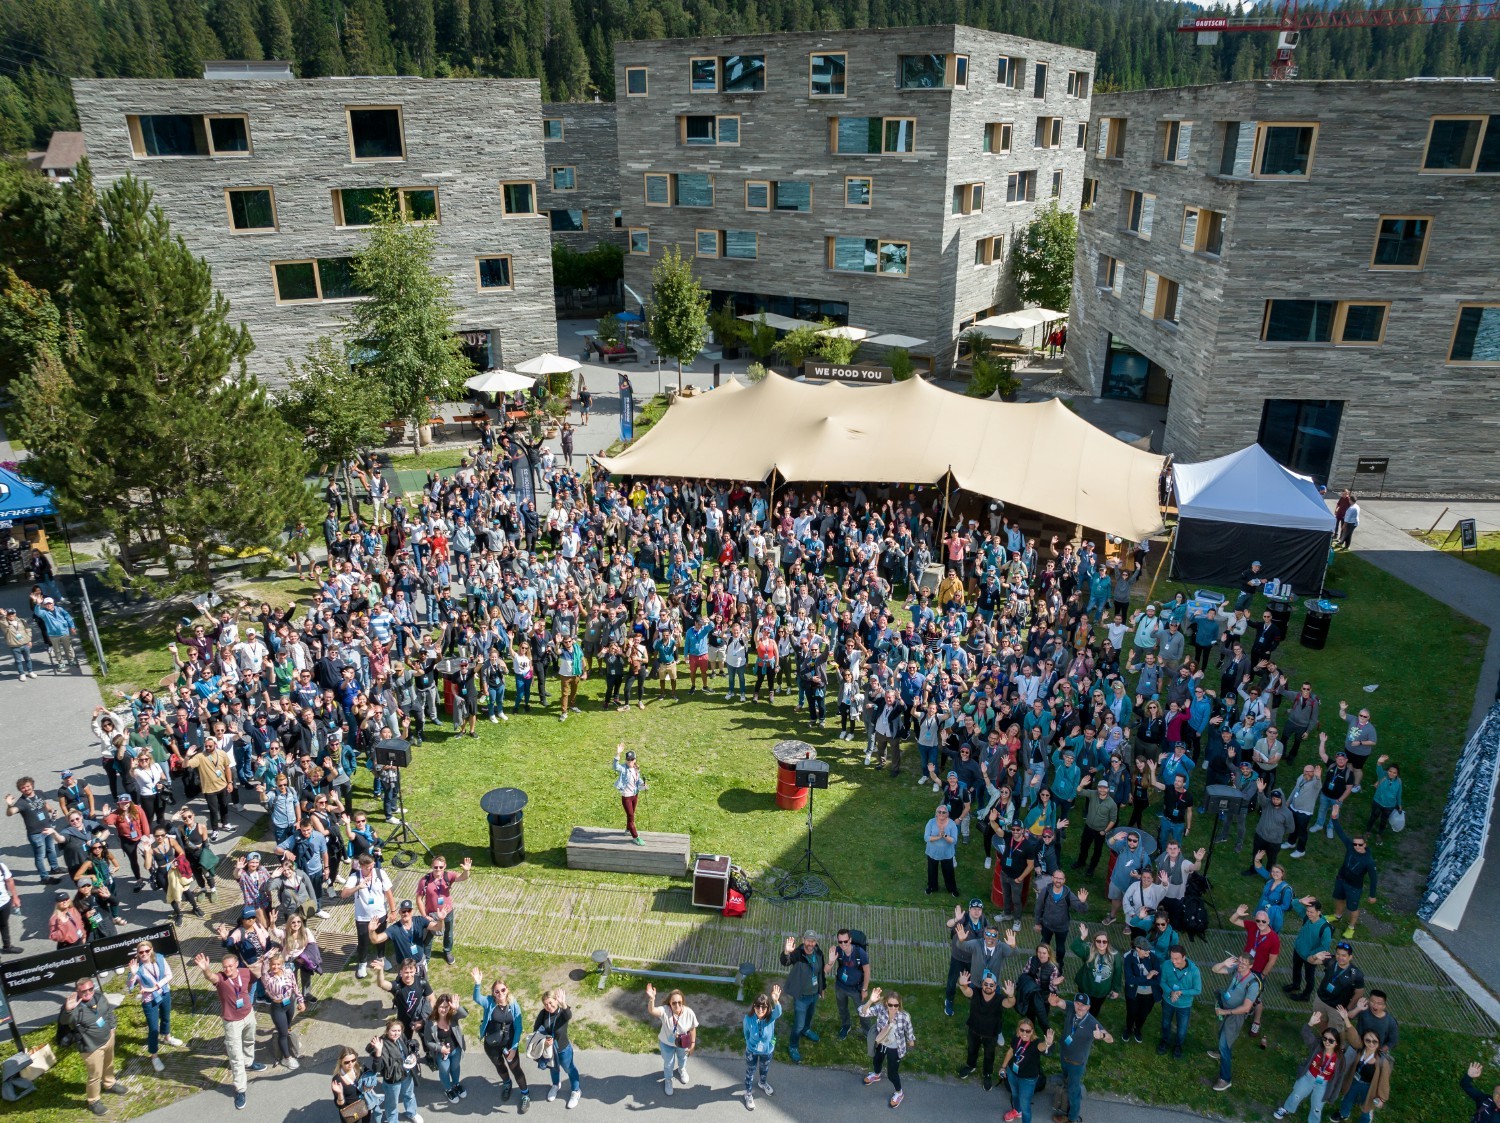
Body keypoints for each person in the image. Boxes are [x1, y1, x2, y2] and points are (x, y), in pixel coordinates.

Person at [194, 949, 265, 1110]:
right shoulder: (221, 979)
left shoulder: (245, 973)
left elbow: (257, 976)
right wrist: (205, 969)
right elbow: (211, 977)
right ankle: (241, 1089)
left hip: (248, 1014)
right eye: (225, 967)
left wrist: (262, 962)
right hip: (232, 1021)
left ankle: (249, 1062)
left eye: (230, 966)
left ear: (237, 965)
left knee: (249, 1041)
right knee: (235, 1056)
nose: (228, 970)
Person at [62, 975, 129, 1114]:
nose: (88, 992)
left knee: (109, 1064)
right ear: (77, 992)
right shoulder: (75, 1008)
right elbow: (64, 1021)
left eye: (90, 989)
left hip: (108, 1038)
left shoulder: (99, 996)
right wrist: (68, 1010)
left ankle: (109, 1084)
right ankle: (93, 1101)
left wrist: (112, 1027)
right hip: (91, 1048)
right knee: (95, 1075)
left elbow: (108, 1011)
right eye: (83, 991)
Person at [472, 968, 529, 1112]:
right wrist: (478, 983)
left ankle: (525, 1094)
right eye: (497, 991)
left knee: (516, 1069)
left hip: (509, 1045)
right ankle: (507, 1083)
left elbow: (518, 1027)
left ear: (507, 989)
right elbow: (477, 998)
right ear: (493, 993)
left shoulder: (513, 1005)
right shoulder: (490, 1002)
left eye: (503, 990)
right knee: (500, 1066)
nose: (500, 994)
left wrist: (514, 1048)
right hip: (491, 1045)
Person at [127, 939, 185, 1073]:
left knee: (166, 1017)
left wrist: (155, 987)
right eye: (141, 952)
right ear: (138, 954)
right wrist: (133, 974)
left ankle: (167, 1037)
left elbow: (169, 975)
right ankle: (154, 1056)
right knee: (153, 1029)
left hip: (164, 993)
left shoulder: (159, 958)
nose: (144, 954)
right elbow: (129, 987)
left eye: (147, 951)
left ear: (151, 950)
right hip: (149, 1001)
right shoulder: (138, 968)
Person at [1056, 991, 1113, 1123]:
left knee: (1074, 1091)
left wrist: (1102, 1036)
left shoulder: (1092, 1023)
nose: (1080, 1007)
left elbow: (1111, 1039)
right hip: (1064, 1056)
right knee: (1066, 1080)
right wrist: (1055, 1000)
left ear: (1088, 1007)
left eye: (1083, 1005)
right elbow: (1060, 1003)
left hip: (1076, 1063)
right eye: (1078, 1003)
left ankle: (1072, 1118)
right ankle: (1064, 1099)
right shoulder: (1071, 1008)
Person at [1210, 951, 1262, 1092]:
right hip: (1225, 1008)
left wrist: (1225, 1012)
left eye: (1244, 964)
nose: (1240, 965)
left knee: (1225, 1044)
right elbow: (1214, 969)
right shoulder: (1236, 970)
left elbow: (1246, 1008)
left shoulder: (1253, 984)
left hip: (1234, 1015)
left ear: (1250, 966)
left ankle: (1225, 1079)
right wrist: (1224, 964)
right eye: (1239, 962)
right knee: (1221, 1033)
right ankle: (1220, 1053)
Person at [1273, 1018, 1343, 1122]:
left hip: (1323, 1084)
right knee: (1296, 1094)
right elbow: (1306, 1034)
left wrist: (1333, 1095)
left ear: (1336, 1043)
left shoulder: (1340, 1058)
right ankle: (1286, 1108)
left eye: (1331, 1040)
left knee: (1317, 1106)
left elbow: (1339, 1077)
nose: (1327, 1042)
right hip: (1309, 1077)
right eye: (1325, 1039)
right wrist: (1310, 1024)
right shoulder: (1317, 1046)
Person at [859, 986, 916, 1109]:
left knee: (892, 1074)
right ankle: (876, 1074)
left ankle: (899, 1093)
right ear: (886, 1003)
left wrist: (911, 1041)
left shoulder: (904, 1016)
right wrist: (870, 1001)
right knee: (876, 1060)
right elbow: (863, 1013)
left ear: (899, 1005)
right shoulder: (881, 1009)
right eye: (891, 1005)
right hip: (881, 1043)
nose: (893, 1008)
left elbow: (909, 1030)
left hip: (895, 1048)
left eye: (896, 1005)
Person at [341, 851, 396, 978]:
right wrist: (358, 887)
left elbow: (388, 893)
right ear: (360, 866)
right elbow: (343, 895)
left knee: (381, 938)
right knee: (363, 941)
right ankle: (362, 963)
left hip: (380, 914)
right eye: (368, 867)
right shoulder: (355, 877)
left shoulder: (380, 873)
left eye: (372, 865)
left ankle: (381, 958)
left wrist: (393, 911)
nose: (371, 868)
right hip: (362, 917)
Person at [1329, 806, 1377, 938]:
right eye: (1355, 844)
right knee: (1339, 899)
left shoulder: (1369, 861)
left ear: (1365, 844)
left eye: (1360, 845)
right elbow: (1341, 833)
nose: (1357, 846)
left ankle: (1351, 927)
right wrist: (1334, 818)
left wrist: (1372, 895)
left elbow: (1374, 878)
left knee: (1352, 908)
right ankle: (1337, 915)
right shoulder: (1350, 846)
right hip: (1341, 879)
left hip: (1354, 887)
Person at [416, 854, 472, 966]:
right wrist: (424, 915)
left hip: (447, 912)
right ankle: (425, 959)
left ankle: (447, 951)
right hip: (431, 914)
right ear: (431, 866)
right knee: (428, 937)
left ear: (445, 866)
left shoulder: (448, 876)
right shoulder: (425, 881)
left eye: (441, 867)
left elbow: (462, 877)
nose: (438, 869)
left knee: (448, 933)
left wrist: (466, 871)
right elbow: (419, 899)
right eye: (435, 867)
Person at [780, 929, 827, 1063]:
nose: (810, 944)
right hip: (801, 996)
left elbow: (820, 972)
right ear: (803, 940)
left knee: (810, 1015)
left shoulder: (818, 952)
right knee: (798, 1025)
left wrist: (822, 988)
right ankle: (793, 1046)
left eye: (812, 941)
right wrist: (786, 952)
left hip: (813, 994)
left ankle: (806, 1030)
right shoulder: (797, 953)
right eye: (808, 940)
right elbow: (785, 962)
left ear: (815, 942)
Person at [956, 965, 1007, 1089]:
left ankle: (987, 1074)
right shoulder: (976, 993)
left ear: (996, 986)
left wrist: (1011, 996)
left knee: (989, 1055)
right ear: (982, 984)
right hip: (974, 1030)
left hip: (991, 1034)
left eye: (991, 985)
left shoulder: (1000, 999)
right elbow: (966, 991)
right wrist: (962, 984)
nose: (988, 987)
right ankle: (970, 1066)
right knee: (972, 1050)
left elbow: (1010, 1003)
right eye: (986, 984)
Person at [7, 776, 65, 882]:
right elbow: (10, 813)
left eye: (28, 786)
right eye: (23, 788)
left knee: (51, 849)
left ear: (32, 785)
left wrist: (51, 810)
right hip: (36, 833)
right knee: (40, 856)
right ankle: (44, 877)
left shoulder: (39, 793)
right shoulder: (21, 802)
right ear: (20, 790)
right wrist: (9, 805)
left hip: (48, 828)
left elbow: (44, 803)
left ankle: (55, 868)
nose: (26, 789)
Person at [1331, 1021, 1392, 1123]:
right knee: (1347, 1098)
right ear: (1363, 1041)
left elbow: (1384, 1081)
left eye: (1374, 1041)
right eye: (1368, 1040)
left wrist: (1382, 1098)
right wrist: (1346, 1019)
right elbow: (1353, 1037)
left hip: (1369, 1086)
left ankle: (1365, 1120)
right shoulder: (1360, 1050)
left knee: (1366, 1106)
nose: (1371, 1044)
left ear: (1379, 1043)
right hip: (1354, 1081)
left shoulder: (1382, 1061)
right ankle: (1343, 1113)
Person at [367, 1016, 424, 1123]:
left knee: (410, 1095)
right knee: (392, 1103)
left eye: (399, 1030)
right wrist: (378, 1051)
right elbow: (377, 1068)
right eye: (393, 1030)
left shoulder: (401, 1037)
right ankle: (392, 1120)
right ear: (387, 1031)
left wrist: (413, 1054)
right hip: (393, 1080)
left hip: (407, 1074)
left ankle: (412, 1113)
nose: (396, 1033)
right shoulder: (382, 1044)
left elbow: (407, 1048)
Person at [644, 982, 698, 1095]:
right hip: (666, 1043)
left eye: (679, 1002)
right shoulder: (665, 1011)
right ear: (670, 1003)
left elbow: (693, 1028)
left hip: (682, 1043)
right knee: (668, 1064)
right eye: (674, 1003)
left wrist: (692, 1044)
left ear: (682, 1002)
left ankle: (681, 1069)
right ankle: (668, 1079)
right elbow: (652, 1011)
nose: (677, 1005)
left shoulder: (689, 1013)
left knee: (683, 1058)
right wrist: (651, 999)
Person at [533, 987, 581, 1109]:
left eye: (550, 1002)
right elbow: (536, 1030)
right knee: (553, 1069)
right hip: (549, 1050)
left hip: (563, 1049)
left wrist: (563, 1003)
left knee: (569, 1069)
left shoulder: (563, 1011)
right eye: (545, 1004)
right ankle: (555, 1085)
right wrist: (544, 1041)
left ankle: (576, 1091)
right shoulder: (543, 1014)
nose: (548, 1006)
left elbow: (569, 1015)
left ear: (556, 1000)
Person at [1001, 1018, 1054, 1123]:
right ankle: (1017, 1111)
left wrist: (1047, 1043)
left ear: (1032, 1031)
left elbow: (1042, 1047)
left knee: (1025, 1106)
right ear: (1018, 1029)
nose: (1024, 1033)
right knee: (1015, 1094)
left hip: (1027, 1079)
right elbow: (1011, 1052)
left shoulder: (1036, 1043)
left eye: (1028, 1031)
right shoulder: (1016, 1038)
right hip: (1012, 1073)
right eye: (1022, 1030)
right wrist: (1003, 1067)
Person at [261, 951, 306, 1069]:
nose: (275, 967)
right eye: (273, 965)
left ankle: (291, 1044)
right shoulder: (267, 977)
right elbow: (263, 966)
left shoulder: (289, 972)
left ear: (282, 964)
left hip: (289, 1003)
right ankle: (287, 1058)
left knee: (288, 1026)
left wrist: (301, 1001)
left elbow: (295, 987)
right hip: (278, 1007)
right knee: (283, 1033)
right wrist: (267, 956)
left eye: (278, 964)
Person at [741, 984, 783, 1111]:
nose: (760, 1009)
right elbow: (746, 1033)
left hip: (767, 1050)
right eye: (757, 1006)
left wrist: (776, 1000)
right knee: (750, 1071)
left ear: (767, 1008)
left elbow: (779, 1012)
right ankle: (748, 1093)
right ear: (754, 1006)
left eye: (763, 1007)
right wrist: (750, 1044)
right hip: (752, 1051)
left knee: (764, 1069)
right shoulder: (748, 1019)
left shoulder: (770, 1018)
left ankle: (762, 1083)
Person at [1285, 896, 1335, 1001]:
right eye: (1307, 911)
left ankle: (1306, 995)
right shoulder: (1307, 918)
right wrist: (1300, 901)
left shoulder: (1325, 928)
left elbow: (1324, 947)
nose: (1308, 914)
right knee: (1296, 969)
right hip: (1298, 951)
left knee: (1309, 977)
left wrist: (1311, 955)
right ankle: (1295, 984)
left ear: (1319, 912)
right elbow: (1294, 904)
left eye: (1311, 912)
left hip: (1311, 956)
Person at [1068, 924, 1122, 1020]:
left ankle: (1089, 1022)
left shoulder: (1115, 955)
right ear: (1094, 941)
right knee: (1081, 1006)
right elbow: (1074, 947)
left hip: (1102, 990)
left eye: (1104, 941)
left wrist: (1116, 989)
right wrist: (1082, 937)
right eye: (1098, 941)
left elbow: (1118, 973)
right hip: (1086, 986)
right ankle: (1077, 1019)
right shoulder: (1089, 950)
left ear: (1108, 942)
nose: (1101, 944)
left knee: (1095, 1009)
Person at [423, 992, 469, 1103]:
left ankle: (456, 1084)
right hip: (442, 1054)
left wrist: (457, 1008)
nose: (444, 1010)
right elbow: (428, 1041)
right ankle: (448, 1089)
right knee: (445, 1071)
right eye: (442, 1007)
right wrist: (440, 1049)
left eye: (446, 1007)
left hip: (456, 1050)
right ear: (437, 1006)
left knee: (455, 1068)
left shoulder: (452, 1017)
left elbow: (464, 1014)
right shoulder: (431, 1022)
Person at [1034, 870, 1088, 963]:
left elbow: (1082, 910)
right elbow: (1038, 907)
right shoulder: (1045, 891)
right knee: (1043, 946)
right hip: (1046, 925)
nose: (1058, 880)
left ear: (1064, 880)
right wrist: (1037, 923)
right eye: (1056, 878)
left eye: (1060, 879)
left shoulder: (1068, 894)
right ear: (1052, 878)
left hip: (1062, 928)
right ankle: (1041, 962)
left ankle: (1059, 965)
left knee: (1060, 949)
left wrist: (1082, 903)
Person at [1157, 943, 1201, 1058]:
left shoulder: (1194, 970)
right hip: (1168, 1001)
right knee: (1166, 1023)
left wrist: (1181, 992)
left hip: (1184, 1005)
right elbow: (1162, 982)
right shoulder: (1167, 965)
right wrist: (1171, 992)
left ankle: (1178, 1045)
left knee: (1182, 1028)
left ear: (1184, 957)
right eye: (1172, 958)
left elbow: (1197, 990)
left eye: (1176, 959)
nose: (1173, 962)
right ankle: (1165, 1041)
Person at [827, 927, 871, 1040]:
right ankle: (846, 1026)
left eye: (845, 941)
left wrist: (864, 989)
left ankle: (868, 1033)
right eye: (840, 941)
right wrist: (831, 961)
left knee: (863, 1012)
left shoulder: (860, 952)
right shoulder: (837, 951)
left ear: (850, 940)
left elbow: (867, 971)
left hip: (856, 989)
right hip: (841, 986)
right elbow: (825, 970)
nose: (843, 944)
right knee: (842, 1009)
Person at [1122, 935, 1161, 1044]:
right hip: (1134, 993)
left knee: (1143, 1014)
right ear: (1137, 949)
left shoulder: (1153, 958)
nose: (1148, 951)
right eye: (1145, 949)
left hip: (1150, 994)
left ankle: (1137, 1029)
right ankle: (1128, 1029)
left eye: (1149, 949)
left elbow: (1157, 980)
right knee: (1131, 1013)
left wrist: (1139, 980)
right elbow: (1129, 979)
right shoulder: (1129, 958)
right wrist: (1147, 977)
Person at [331, 1045, 379, 1121]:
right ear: (340, 1061)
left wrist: (370, 1086)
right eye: (347, 1062)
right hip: (351, 1110)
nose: (351, 1064)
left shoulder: (360, 1067)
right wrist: (340, 1094)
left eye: (353, 1060)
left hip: (364, 1104)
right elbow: (340, 1106)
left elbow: (373, 1073)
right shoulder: (337, 1079)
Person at [612, 743, 647, 845]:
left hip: (635, 795)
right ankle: (635, 837)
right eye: (628, 760)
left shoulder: (636, 768)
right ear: (626, 760)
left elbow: (637, 779)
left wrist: (642, 784)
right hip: (626, 796)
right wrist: (618, 754)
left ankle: (628, 830)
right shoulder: (623, 768)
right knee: (631, 816)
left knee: (631, 814)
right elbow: (615, 766)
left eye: (631, 760)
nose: (630, 762)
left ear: (635, 759)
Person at [924, 804, 960, 897]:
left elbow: (954, 840)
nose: (941, 814)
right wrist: (938, 837)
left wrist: (944, 835)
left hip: (947, 853)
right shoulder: (931, 822)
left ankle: (952, 889)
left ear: (947, 814)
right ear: (936, 814)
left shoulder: (952, 824)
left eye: (944, 812)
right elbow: (926, 837)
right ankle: (932, 887)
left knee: (949, 872)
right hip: (932, 852)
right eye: (939, 812)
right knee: (932, 871)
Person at [3, 607, 37, 680]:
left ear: (15, 613)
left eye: (13, 614)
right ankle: (22, 674)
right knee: (18, 661)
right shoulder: (5, 623)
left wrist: (29, 640)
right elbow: (2, 622)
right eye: (9, 614)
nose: (11, 616)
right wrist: (3, 615)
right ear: (6, 615)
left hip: (25, 644)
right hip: (15, 646)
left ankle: (30, 671)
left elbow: (28, 629)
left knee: (28, 659)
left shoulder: (21, 621)